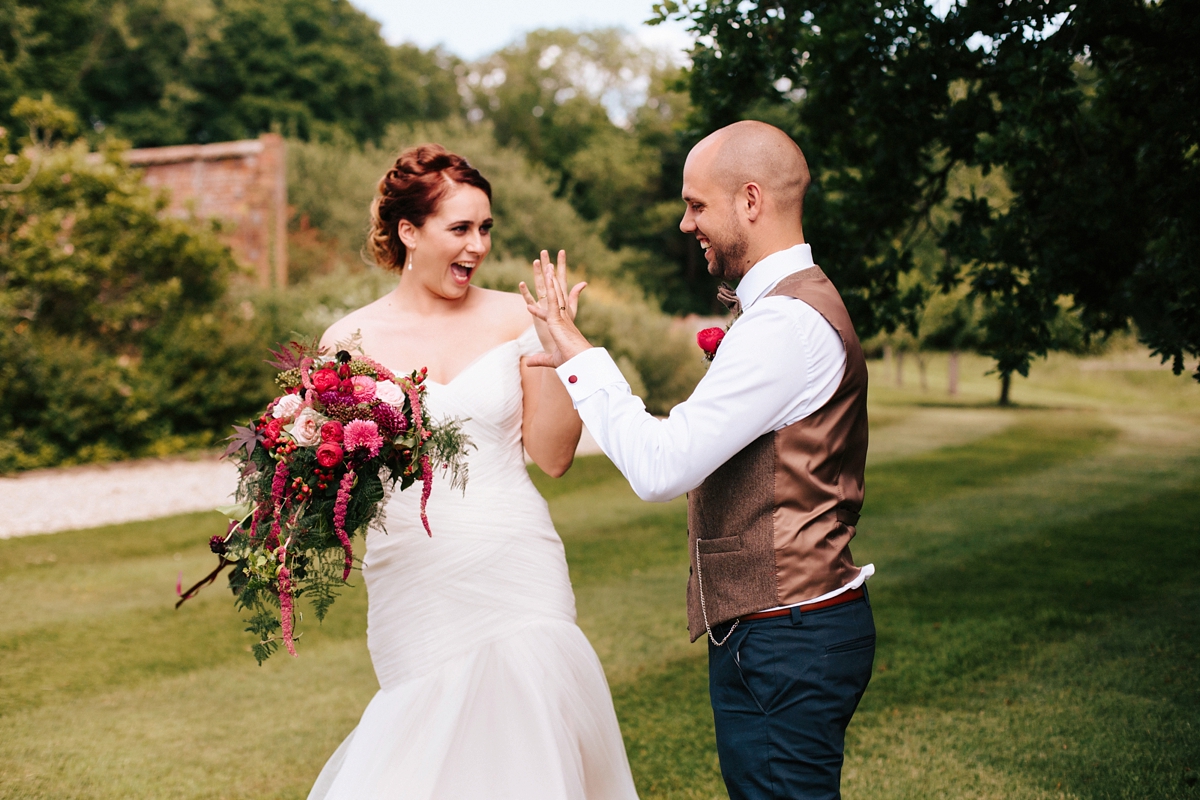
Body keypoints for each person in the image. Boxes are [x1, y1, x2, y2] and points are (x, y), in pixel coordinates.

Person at [521, 120, 876, 800]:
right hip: (787, 631)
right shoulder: (784, 310)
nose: (686, 224)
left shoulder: (782, 326)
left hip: (787, 639)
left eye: (695, 204)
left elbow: (661, 466)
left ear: (750, 200)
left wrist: (581, 355)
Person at [308, 144, 639, 800]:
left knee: (533, 752)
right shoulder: (349, 340)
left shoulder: (518, 319)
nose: (478, 245)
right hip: (415, 580)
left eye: (485, 228)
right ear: (409, 232)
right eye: (460, 228)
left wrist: (562, 347)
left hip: (517, 565)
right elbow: (332, 488)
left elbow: (553, 455)